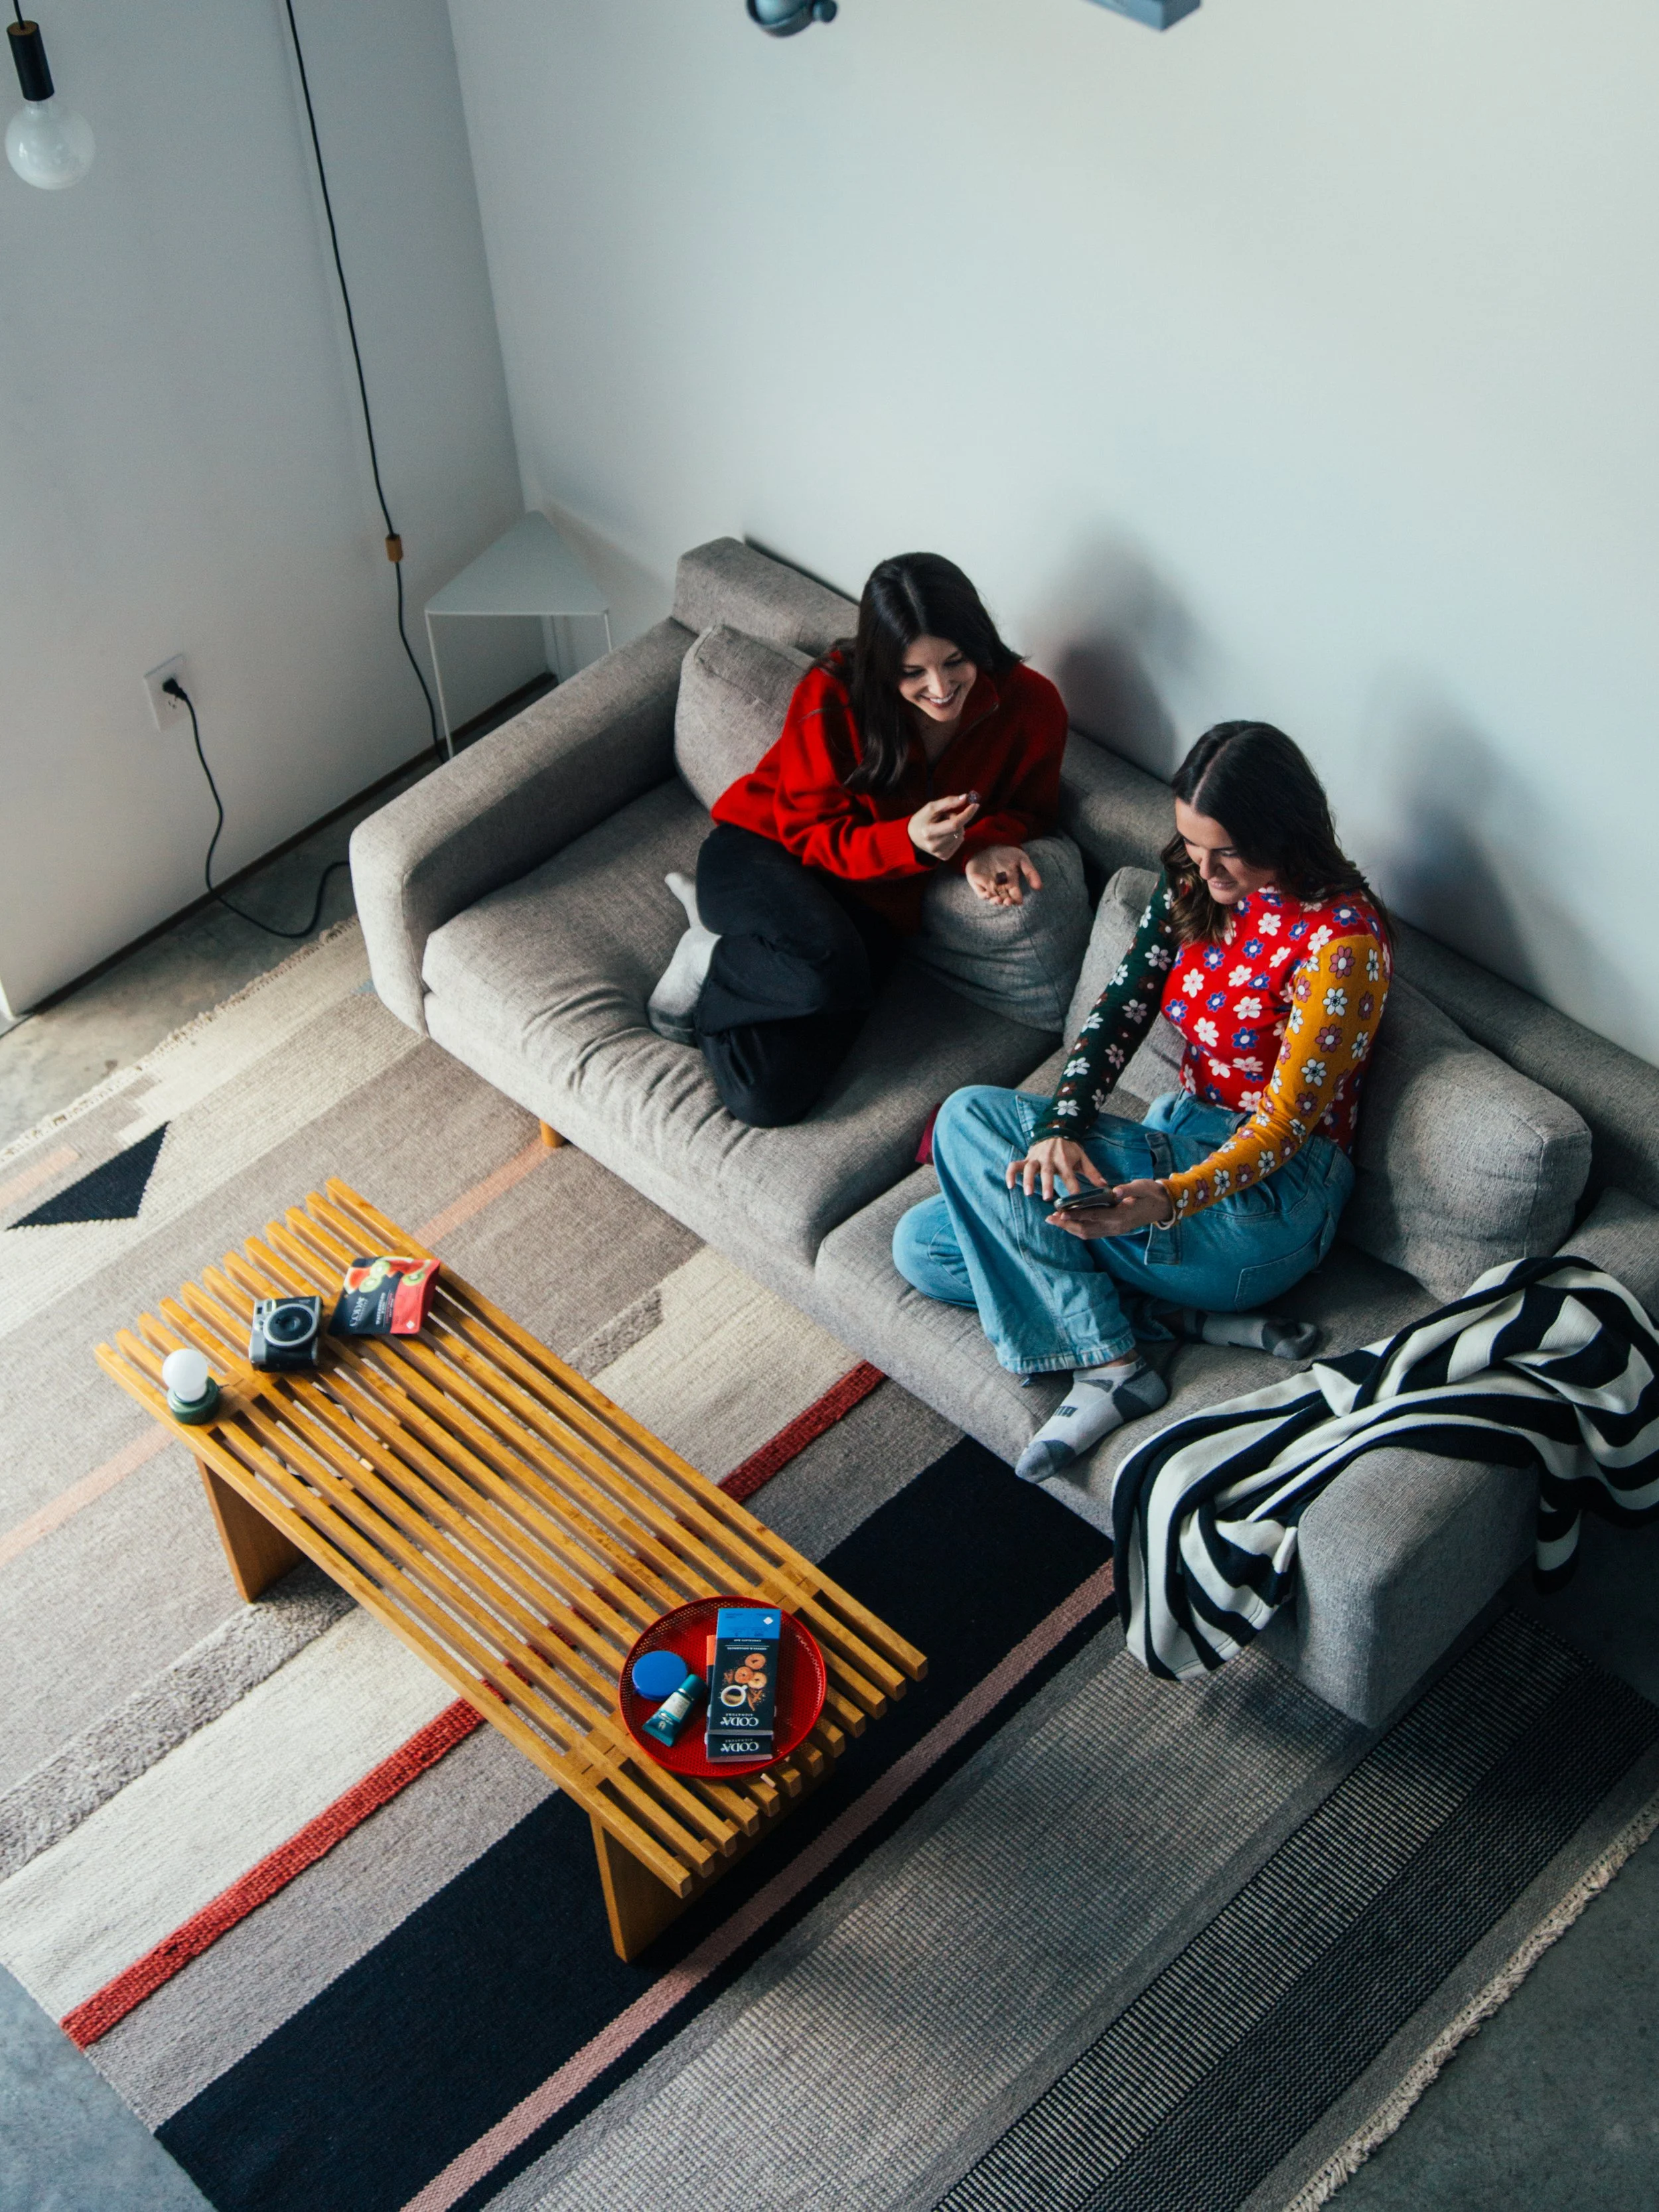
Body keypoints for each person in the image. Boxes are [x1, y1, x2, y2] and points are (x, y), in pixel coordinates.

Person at [892, 721, 1393, 1481]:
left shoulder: (1343, 943)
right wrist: (1063, 1123)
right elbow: (1122, 1007)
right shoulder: (1194, 880)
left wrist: (1164, 1199)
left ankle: (1112, 1365)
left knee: (971, 1117)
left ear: (1282, 831)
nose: (1205, 867)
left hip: (1268, 1205)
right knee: (923, 1245)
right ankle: (1189, 1320)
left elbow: (1283, 1129)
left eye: (1225, 849)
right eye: (1192, 843)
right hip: (1181, 1150)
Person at [646, 552, 1069, 1127]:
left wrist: (984, 845)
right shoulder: (833, 692)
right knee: (828, 971)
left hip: (867, 907)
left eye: (955, 661)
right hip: (763, 855)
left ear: (980, 642)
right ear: (881, 665)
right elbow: (807, 832)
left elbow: (1032, 809)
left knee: (764, 1098)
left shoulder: (1033, 706)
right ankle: (712, 954)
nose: (941, 689)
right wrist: (909, 844)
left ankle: (725, 961)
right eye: (913, 672)